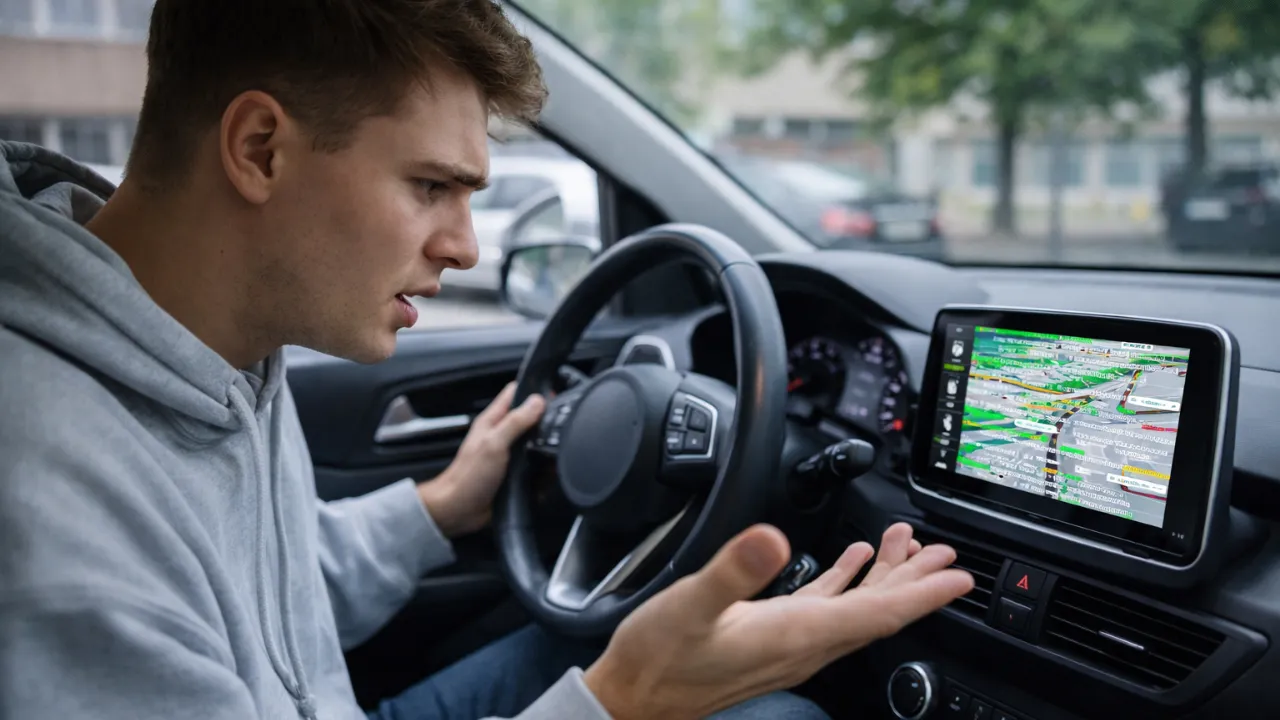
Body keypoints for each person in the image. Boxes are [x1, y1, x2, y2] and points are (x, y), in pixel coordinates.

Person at [0, 1, 974, 719]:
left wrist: (441, 506)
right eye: (432, 186)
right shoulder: (48, 512)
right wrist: (625, 701)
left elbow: (271, 596)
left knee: (601, 639)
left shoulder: (213, 336)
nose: (466, 248)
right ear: (260, 149)